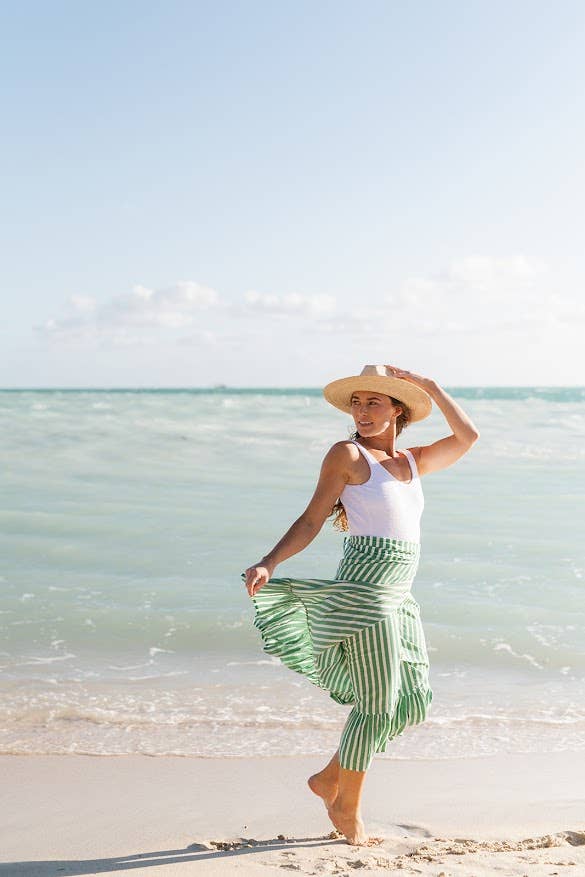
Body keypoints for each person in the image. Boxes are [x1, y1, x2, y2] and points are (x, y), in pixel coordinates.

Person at [242, 364, 480, 846]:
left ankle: (330, 778)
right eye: (357, 402)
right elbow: (311, 520)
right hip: (366, 591)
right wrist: (270, 561)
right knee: (376, 706)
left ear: (398, 409)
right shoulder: (347, 455)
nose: (363, 411)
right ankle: (346, 805)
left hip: (400, 593)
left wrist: (430, 387)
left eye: (374, 402)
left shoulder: (412, 462)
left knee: (411, 703)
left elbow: (468, 436)